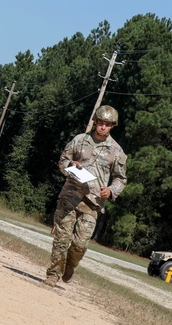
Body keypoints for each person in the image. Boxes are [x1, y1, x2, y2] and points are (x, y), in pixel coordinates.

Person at [43, 105, 127, 288]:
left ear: (113, 126)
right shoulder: (79, 140)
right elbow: (62, 161)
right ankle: (53, 275)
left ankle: (70, 266)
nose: (103, 127)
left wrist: (111, 191)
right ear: (95, 122)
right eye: (101, 123)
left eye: (108, 124)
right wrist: (70, 165)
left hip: (92, 202)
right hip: (70, 196)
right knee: (61, 239)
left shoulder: (116, 151)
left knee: (79, 244)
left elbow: (121, 179)